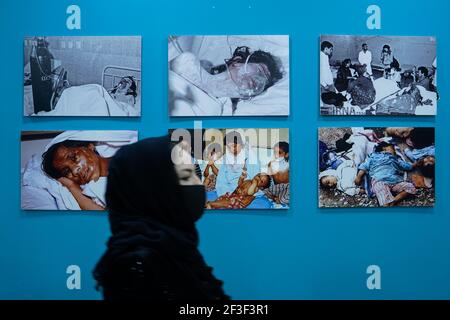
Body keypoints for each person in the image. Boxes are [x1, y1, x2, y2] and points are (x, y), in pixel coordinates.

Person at [93, 136, 229, 300]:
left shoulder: (176, 247)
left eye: (193, 173)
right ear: (156, 185)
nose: (197, 185)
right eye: (186, 176)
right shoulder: (136, 267)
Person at [170, 46, 283, 102]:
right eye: (261, 70)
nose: (260, 80)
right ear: (237, 61)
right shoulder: (187, 63)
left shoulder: (223, 109)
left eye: (265, 81)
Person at [42, 140, 110, 210]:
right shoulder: (95, 191)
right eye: (66, 171)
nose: (74, 171)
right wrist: (71, 185)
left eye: (73, 157)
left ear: (90, 147)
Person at [354, 142, 422, 206]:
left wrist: (415, 164)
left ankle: (394, 201)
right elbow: (364, 166)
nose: (395, 152)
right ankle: (386, 205)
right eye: (393, 150)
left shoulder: (395, 159)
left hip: (395, 182)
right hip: (380, 180)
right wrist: (359, 177)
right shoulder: (373, 157)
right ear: (384, 149)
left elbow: (407, 166)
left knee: (410, 187)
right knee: (381, 191)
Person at [214, 131, 261, 197]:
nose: (231, 149)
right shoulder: (226, 158)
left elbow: (255, 179)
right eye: (229, 147)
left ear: (241, 144)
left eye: (234, 146)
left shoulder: (251, 158)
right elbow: (221, 180)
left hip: (246, 189)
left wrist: (243, 190)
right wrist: (226, 193)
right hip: (228, 189)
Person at [206, 173, 271, 209]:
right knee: (222, 199)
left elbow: (250, 192)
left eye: (261, 181)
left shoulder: (256, 188)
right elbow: (240, 184)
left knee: (228, 202)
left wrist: (254, 183)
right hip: (233, 195)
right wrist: (241, 178)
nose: (258, 179)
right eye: (259, 176)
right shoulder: (248, 181)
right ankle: (212, 206)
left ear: (261, 187)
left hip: (239, 201)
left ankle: (210, 204)